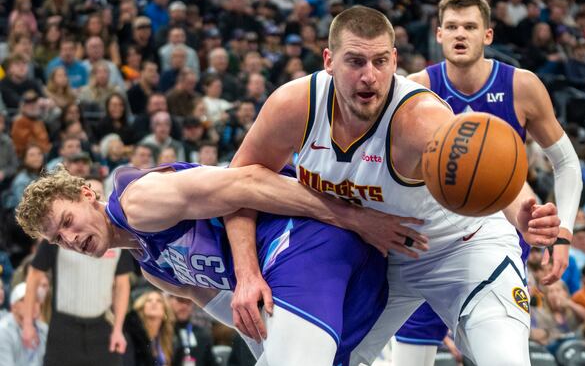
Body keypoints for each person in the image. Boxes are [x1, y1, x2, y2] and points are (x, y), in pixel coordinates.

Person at [223, 5, 560, 366]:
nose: (370, 76)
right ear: (329, 61)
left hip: (464, 251)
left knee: (505, 359)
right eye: (355, 62)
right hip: (383, 260)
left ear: (395, 61)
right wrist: (247, 275)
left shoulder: (421, 118)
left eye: (381, 61)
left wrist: (522, 209)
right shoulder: (294, 106)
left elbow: (487, 165)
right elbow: (236, 187)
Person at [14, 163, 412, 366]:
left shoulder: (138, 201)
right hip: (321, 275)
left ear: (87, 193)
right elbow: (247, 321)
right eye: (56, 240)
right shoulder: (152, 269)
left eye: (66, 222)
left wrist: (354, 218)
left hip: (306, 239)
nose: (69, 240)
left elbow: (250, 182)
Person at [392, 0, 583, 365]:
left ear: (488, 35)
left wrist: (563, 234)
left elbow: (568, 163)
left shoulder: (521, 86)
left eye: (470, 26)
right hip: (432, 245)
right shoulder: (417, 88)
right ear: (439, 34)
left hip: (498, 248)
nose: (460, 34)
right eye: (451, 26)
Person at [20, 223, 133, 366]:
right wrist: (27, 323)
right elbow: (34, 275)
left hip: (104, 328)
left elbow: (122, 284)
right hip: (63, 329)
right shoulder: (58, 233)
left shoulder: (115, 235)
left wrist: (118, 328)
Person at [0, 282, 48, 366]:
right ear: (13, 307)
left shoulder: (45, 329)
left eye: (36, 300)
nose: (32, 304)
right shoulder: (3, 332)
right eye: (26, 300)